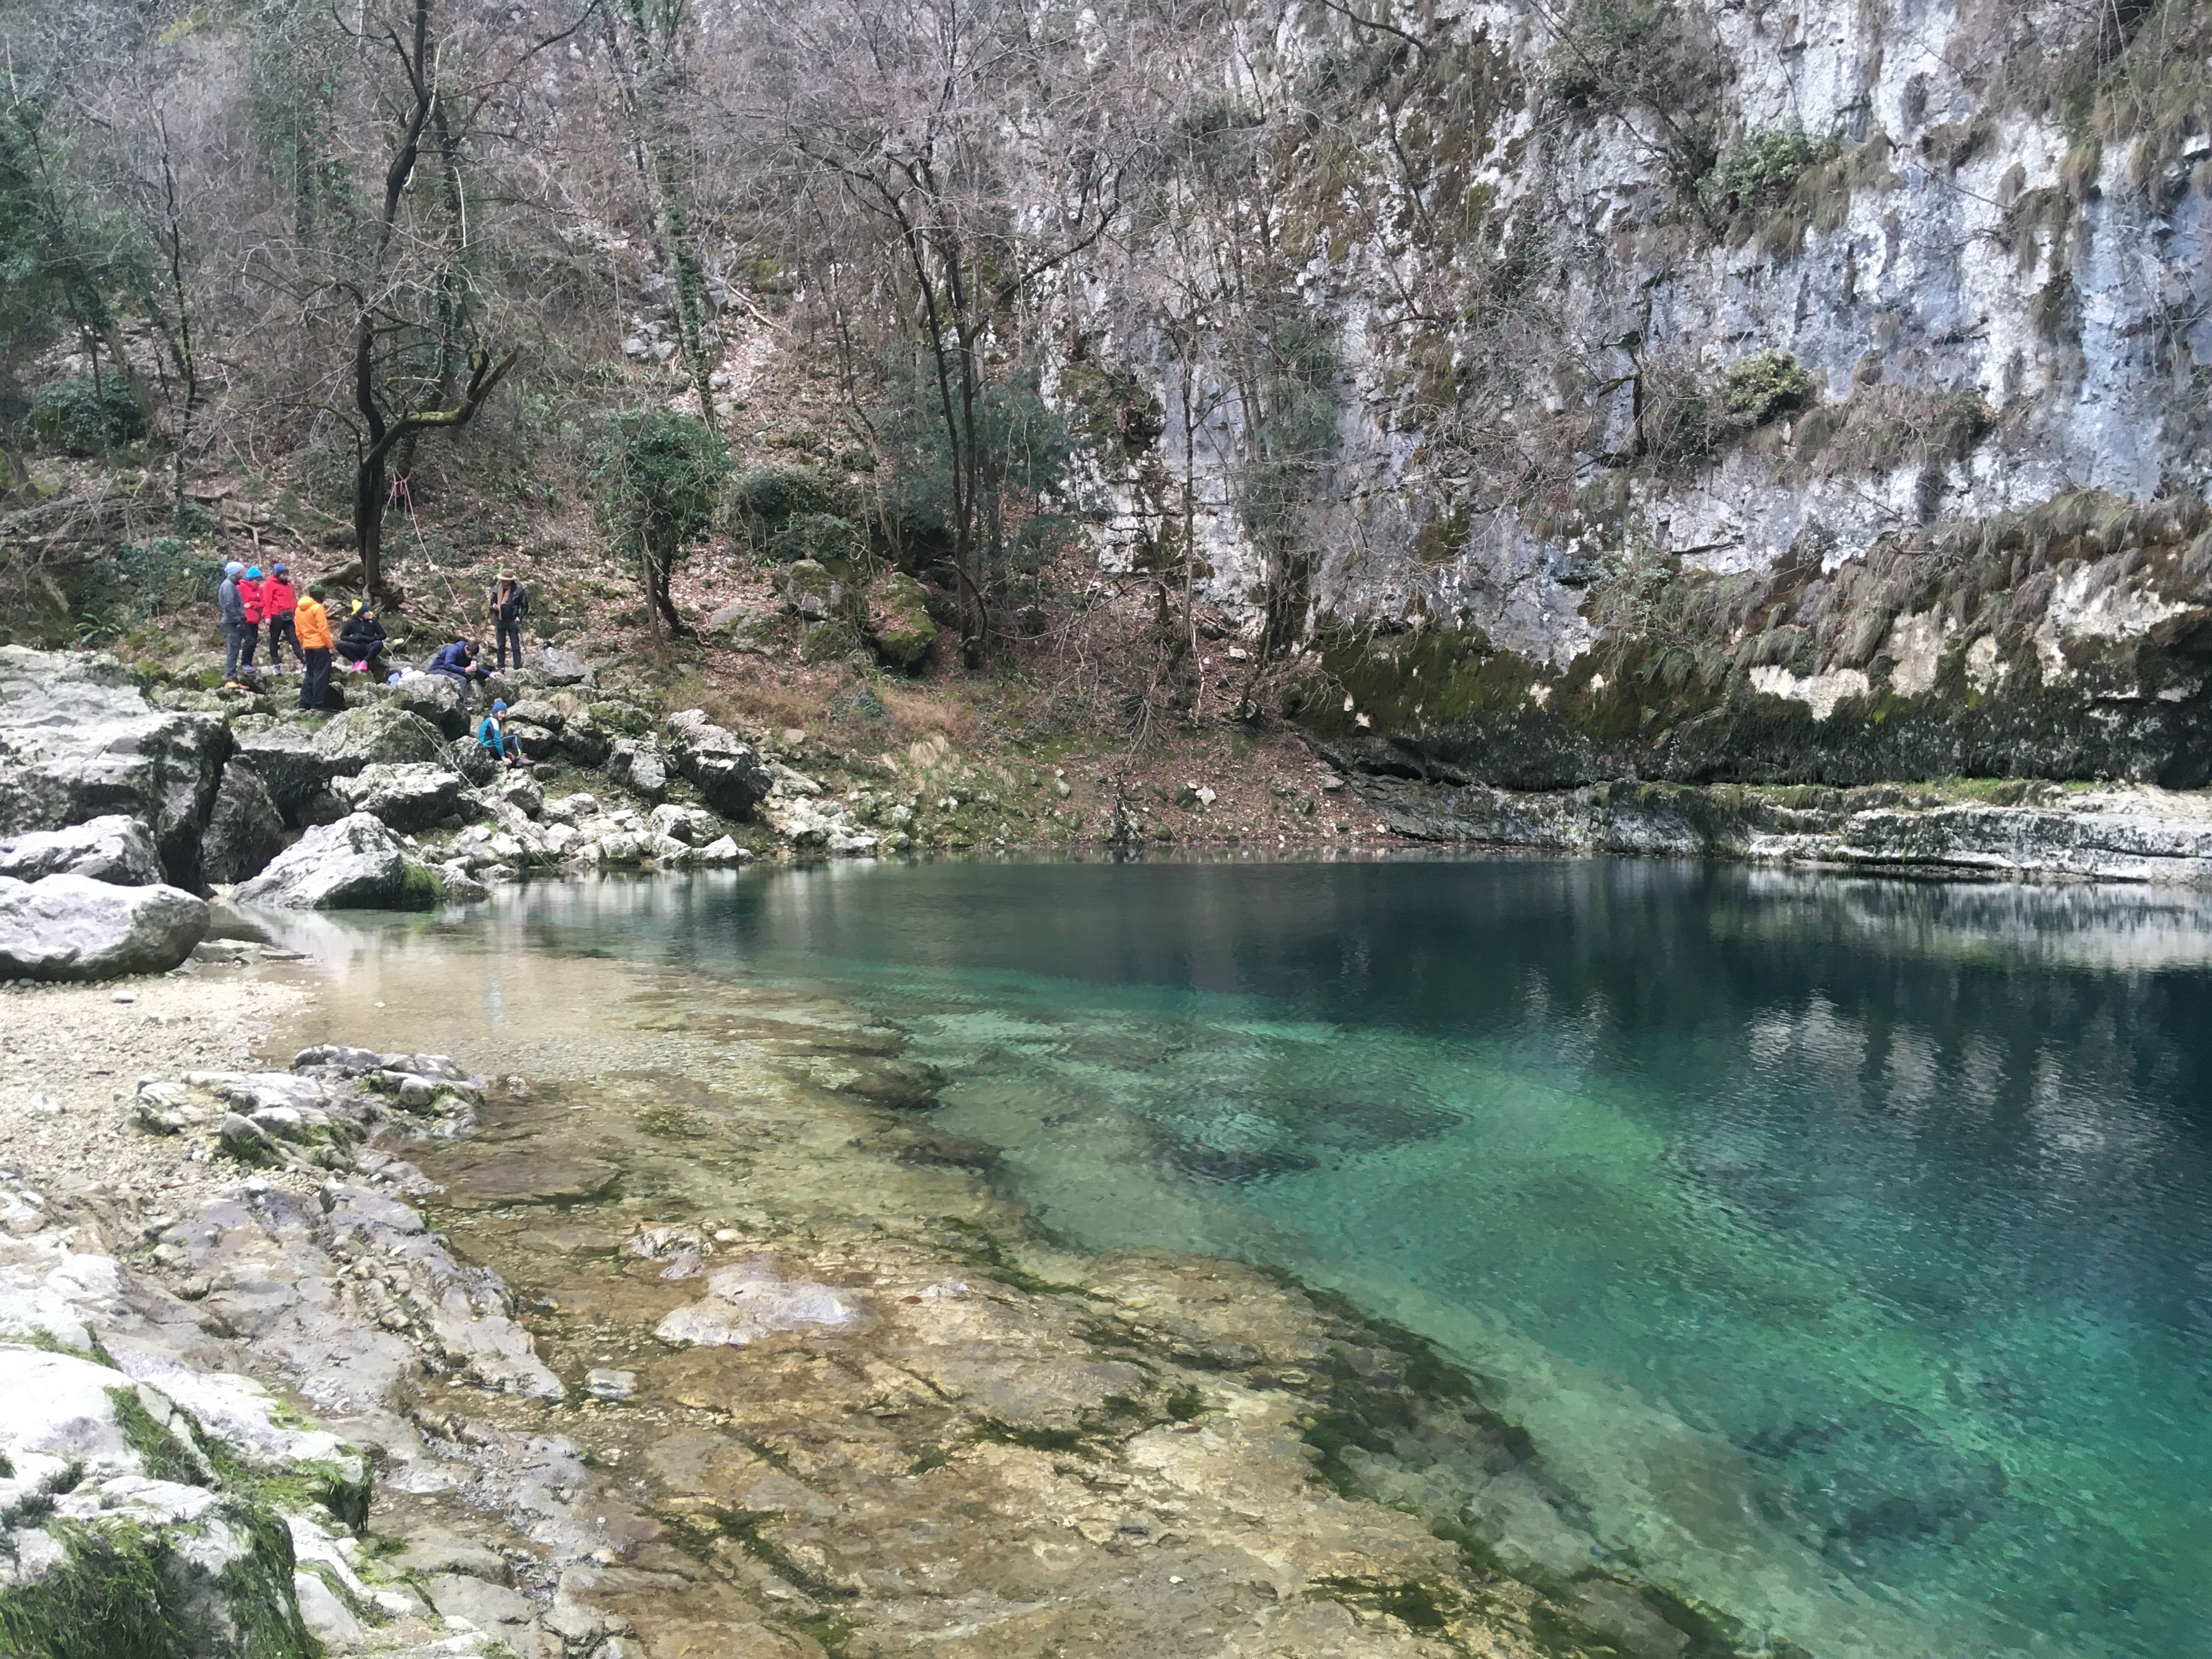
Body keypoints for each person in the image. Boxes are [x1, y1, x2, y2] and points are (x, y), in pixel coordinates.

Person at [295, 583, 335, 711]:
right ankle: (317, 705)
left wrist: (304, 643)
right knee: (321, 674)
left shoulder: (298, 609)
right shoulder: (318, 608)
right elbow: (323, 629)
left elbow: (298, 631)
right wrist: (330, 645)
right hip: (320, 645)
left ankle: (304, 703)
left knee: (310, 673)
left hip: (308, 646)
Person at [426, 636, 490, 708]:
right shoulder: (454, 650)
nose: (470, 656)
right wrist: (464, 670)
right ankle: (464, 705)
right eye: (470, 654)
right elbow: (448, 665)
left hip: (448, 670)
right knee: (462, 680)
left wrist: (489, 674)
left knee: (469, 675)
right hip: (438, 669)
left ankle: (462, 695)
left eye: (472, 655)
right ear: (466, 648)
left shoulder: (466, 653)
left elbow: (475, 667)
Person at [217, 561, 251, 688]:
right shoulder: (228, 586)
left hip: (234, 622)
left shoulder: (231, 585)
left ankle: (234, 679)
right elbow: (229, 606)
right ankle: (230, 679)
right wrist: (238, 620)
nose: (243, 574)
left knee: (235, 651)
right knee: (232, 651)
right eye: (241, 572)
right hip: (232, 623)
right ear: (235, 573)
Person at [337, 600, 390, 680]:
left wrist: (371, 638)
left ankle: (365, 662)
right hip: (356, 646)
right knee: (339, 645)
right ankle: (356, 662)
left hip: (369, 646)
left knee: (379, 644)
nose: (369, 613)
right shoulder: (351, 623)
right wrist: (352, 639)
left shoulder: (373, 622)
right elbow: (343, 637)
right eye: (366, 612)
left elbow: (383, 635)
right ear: (361, 614)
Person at [488, 571, 529, 671]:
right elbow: (491, 605)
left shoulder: (518, 590)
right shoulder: (496, 589)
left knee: (515, 645)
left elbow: (525, 606)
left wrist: (519, 618)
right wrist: (494, 608)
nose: (502, 582)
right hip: (500, 620)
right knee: (501, 645)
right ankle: (501, 667)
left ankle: (517, 667)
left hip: (513, 620)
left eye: (505, 580)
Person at [262, 563, 299, 670]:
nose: (286, 577)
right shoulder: (269, 584)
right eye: (284, 575)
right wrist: (267, 616)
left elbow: (292, 600)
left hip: (288, 616)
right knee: (274, 640)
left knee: (294, 639)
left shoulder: (288, 585)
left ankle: (305, 661)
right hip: (276, 615)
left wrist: (296, 613)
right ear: (278, 575)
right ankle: (275, 664)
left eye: (287, 575)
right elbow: (267, 601)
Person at [476, 698, 529, 769]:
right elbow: (497, 740)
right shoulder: (493, 720)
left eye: (505, 713)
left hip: (487, 749)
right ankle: (520, 757)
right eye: (502, 713)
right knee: (515, 737)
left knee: (511, 759)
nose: (504, 716)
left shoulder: (489, 719)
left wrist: (506, 753)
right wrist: (503, 757)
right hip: (488, 747)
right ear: (496, 712)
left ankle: (515, 764)